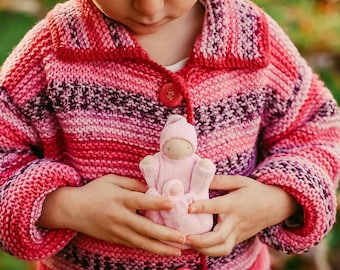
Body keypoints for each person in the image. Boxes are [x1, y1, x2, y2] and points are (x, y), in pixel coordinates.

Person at [0, 0, 339, 269]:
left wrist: (278, 199)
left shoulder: (249, 38)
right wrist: (63, 208)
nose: (149, 6)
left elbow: (316, 127)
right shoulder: (53, 50)